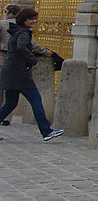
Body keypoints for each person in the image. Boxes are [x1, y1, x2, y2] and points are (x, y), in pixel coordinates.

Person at [0, 7, 64, 141]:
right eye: (30, 19)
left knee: (10, 103)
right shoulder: (22, 33)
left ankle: (46, 131)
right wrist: (32, 60)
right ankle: (46, 131)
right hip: (19, 73)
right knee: (35, 100)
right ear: (23, 20)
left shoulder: (17, 31)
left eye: (35, 18)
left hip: (11, 71)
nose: (33, 21)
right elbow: (21, 47)